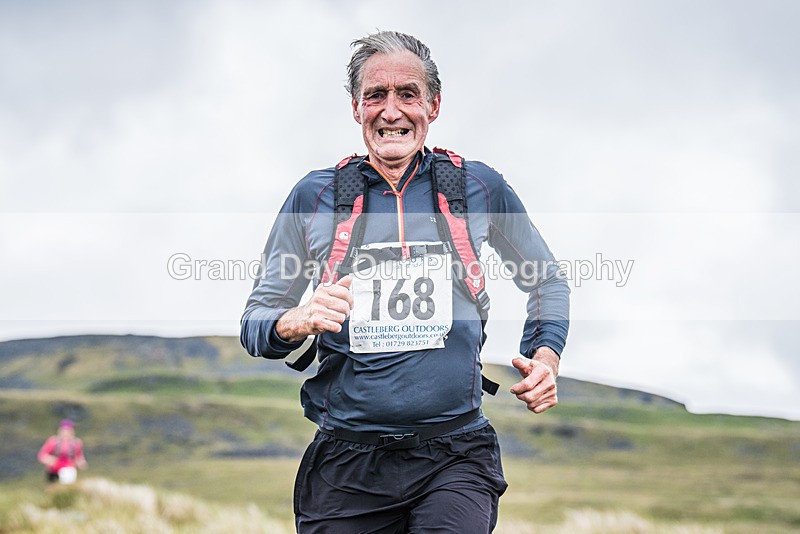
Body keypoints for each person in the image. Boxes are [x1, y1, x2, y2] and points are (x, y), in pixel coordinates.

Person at [241, 30, 569, 533]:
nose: (391, 111)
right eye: (376, 95)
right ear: (356, 108)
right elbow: (255, 321)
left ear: (433, 106)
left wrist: (545, 356)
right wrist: (298, 319)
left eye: (407, 94)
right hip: (347, 466)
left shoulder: (477, 187)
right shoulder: (315, 195)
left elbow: (546, 279)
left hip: (455, 455)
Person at [37, 419, 87, 484]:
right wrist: (50, 460)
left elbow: (79, 457)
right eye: (64, 431)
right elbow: (42, 455)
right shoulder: (53, 442)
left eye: (68, 431)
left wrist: (81, 463)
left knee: (67, 485)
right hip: (53, 471)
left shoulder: (76, 443)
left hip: (68, 470)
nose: (66, 433)